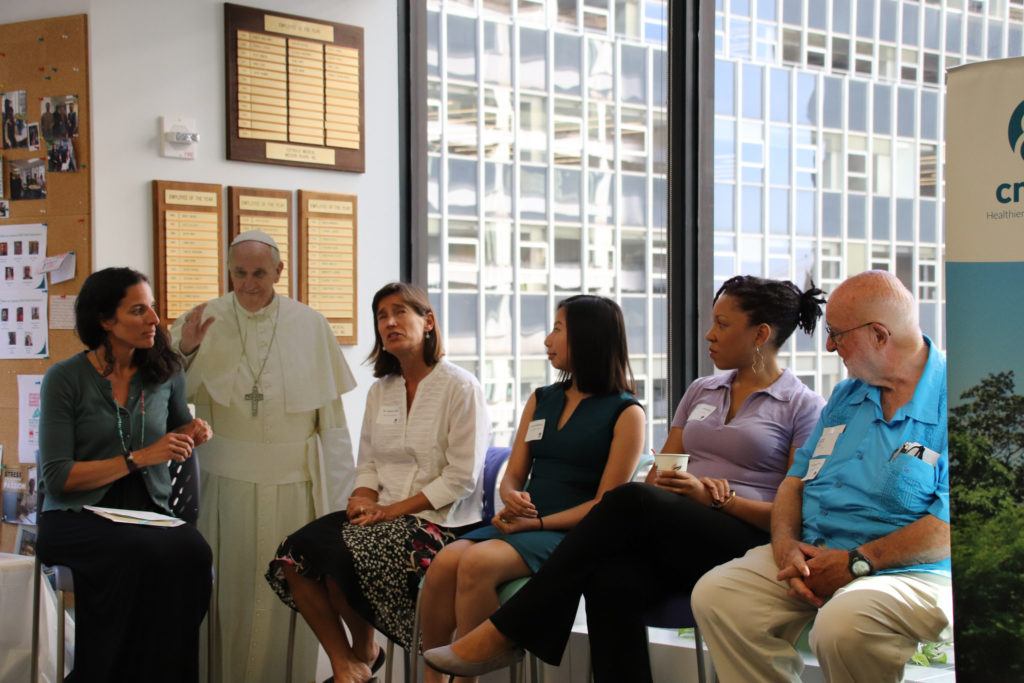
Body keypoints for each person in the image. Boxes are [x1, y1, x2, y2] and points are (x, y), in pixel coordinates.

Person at [424, 277, 826, 682]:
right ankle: (515, 631)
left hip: (744, 539)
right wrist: (673, 486)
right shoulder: (702, 390)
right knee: (610, 578)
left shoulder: (803, 406)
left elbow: (795, 512)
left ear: (760, 334)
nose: (709, 334)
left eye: (722, 325)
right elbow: (661, 473)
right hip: (676, 532)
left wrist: (718, 500)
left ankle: (510, 629)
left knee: (628, 498)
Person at [689, 270, 953, 683]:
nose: (830, 346)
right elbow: (795, 482)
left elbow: (948, 528)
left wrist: (859, 563)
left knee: (843, 625)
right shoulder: (849, 395)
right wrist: (785, 548)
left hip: (908, 571)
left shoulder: (956, 401)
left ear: (880, 335)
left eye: (837, 333)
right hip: (815, 551)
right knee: (720, 595)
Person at [266, 282, 490, 683]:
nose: (389, 322)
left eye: (400, 312)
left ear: (429, 322)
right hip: (383, 517)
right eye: (381, 316)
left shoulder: (460, 387)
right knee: (296, 553)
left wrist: (389, 510)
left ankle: (362, 654)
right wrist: (362, 499)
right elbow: (367, 463)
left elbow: (460, 478)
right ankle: (350, 659)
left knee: (342, 550)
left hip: (442, 525)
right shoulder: (380, 391)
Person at [421, 294, 648, 683]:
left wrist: (537, 524)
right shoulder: (542, 398)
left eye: (558, 329)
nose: (546, 339)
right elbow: (515, 473)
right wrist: (510, 495)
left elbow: (605, 506)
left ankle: (468, 678)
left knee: (475, 563)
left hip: (574, 534)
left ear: (587, 337)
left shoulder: (628, 413)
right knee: (444, 563)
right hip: (521, 523)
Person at [170, 230, 357, 683]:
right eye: (239, 273)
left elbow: (331, 424)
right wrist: (187, 349)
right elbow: (164, 392)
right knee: (229, 593)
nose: (248, 283)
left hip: (295, 488)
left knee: (288, 595)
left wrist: (342, 500)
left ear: (279, 271)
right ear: (228, 271)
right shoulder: (201, 319)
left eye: (258, 273)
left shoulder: (310, 325)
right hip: (225, 488)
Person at [36, 267, 213, 682]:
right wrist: (140, 456)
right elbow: (59, 476)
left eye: (152, 308)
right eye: (138, 310)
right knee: (140, 555)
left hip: (147, 511)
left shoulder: (166, 373)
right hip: (76, 515)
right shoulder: (64, 379)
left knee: (193, 552)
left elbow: (175, 432)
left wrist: (192, 432)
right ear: (105, 320)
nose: (154, 319)